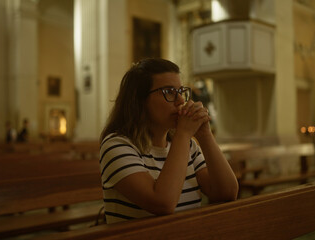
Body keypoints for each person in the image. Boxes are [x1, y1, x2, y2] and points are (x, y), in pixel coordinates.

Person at [100, 58, 238, 224]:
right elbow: (163, 204)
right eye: (169, 92)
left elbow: (227, 192)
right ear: (140, 100)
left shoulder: (187, 146)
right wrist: (184, 133)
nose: (181, 101)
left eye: (181, 91)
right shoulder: (117, 145)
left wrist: (204, 134)